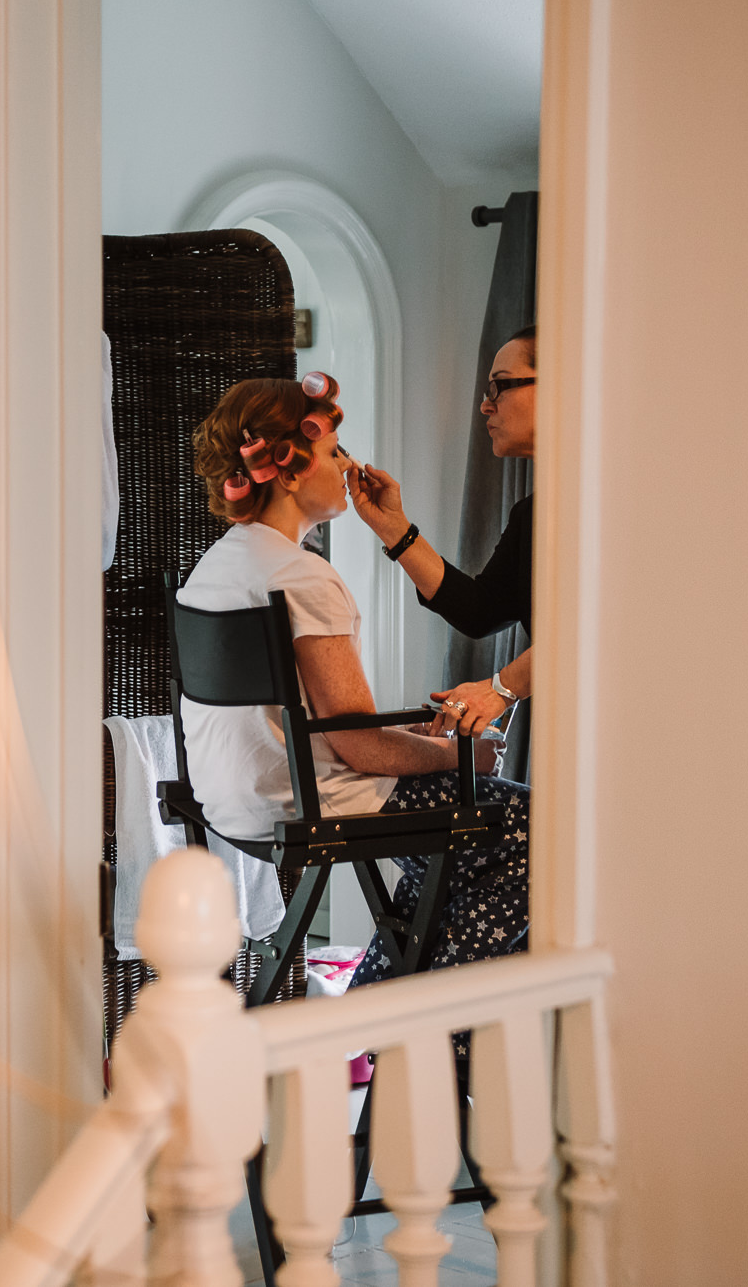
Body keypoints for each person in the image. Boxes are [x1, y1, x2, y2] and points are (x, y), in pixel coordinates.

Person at [177, 372, 530, 995]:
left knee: (452, 859)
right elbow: (357, 747)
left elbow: (325, 722)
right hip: (311, 802)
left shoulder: (221, 563)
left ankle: (381, 1007)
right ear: (287, 470)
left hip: (234, 799)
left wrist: (411, 734)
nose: (349, 463)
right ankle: (427, 1033)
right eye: (336, 449)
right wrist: (459, 752)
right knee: (533, 828)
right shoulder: (305, 577)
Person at [350, 324, 537, 738]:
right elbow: (480, 610)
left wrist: (500, 689)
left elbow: (590, 630)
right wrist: (395, 530)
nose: (485, 407)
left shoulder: (609, 510)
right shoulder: (532, 515)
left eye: (500, 387)